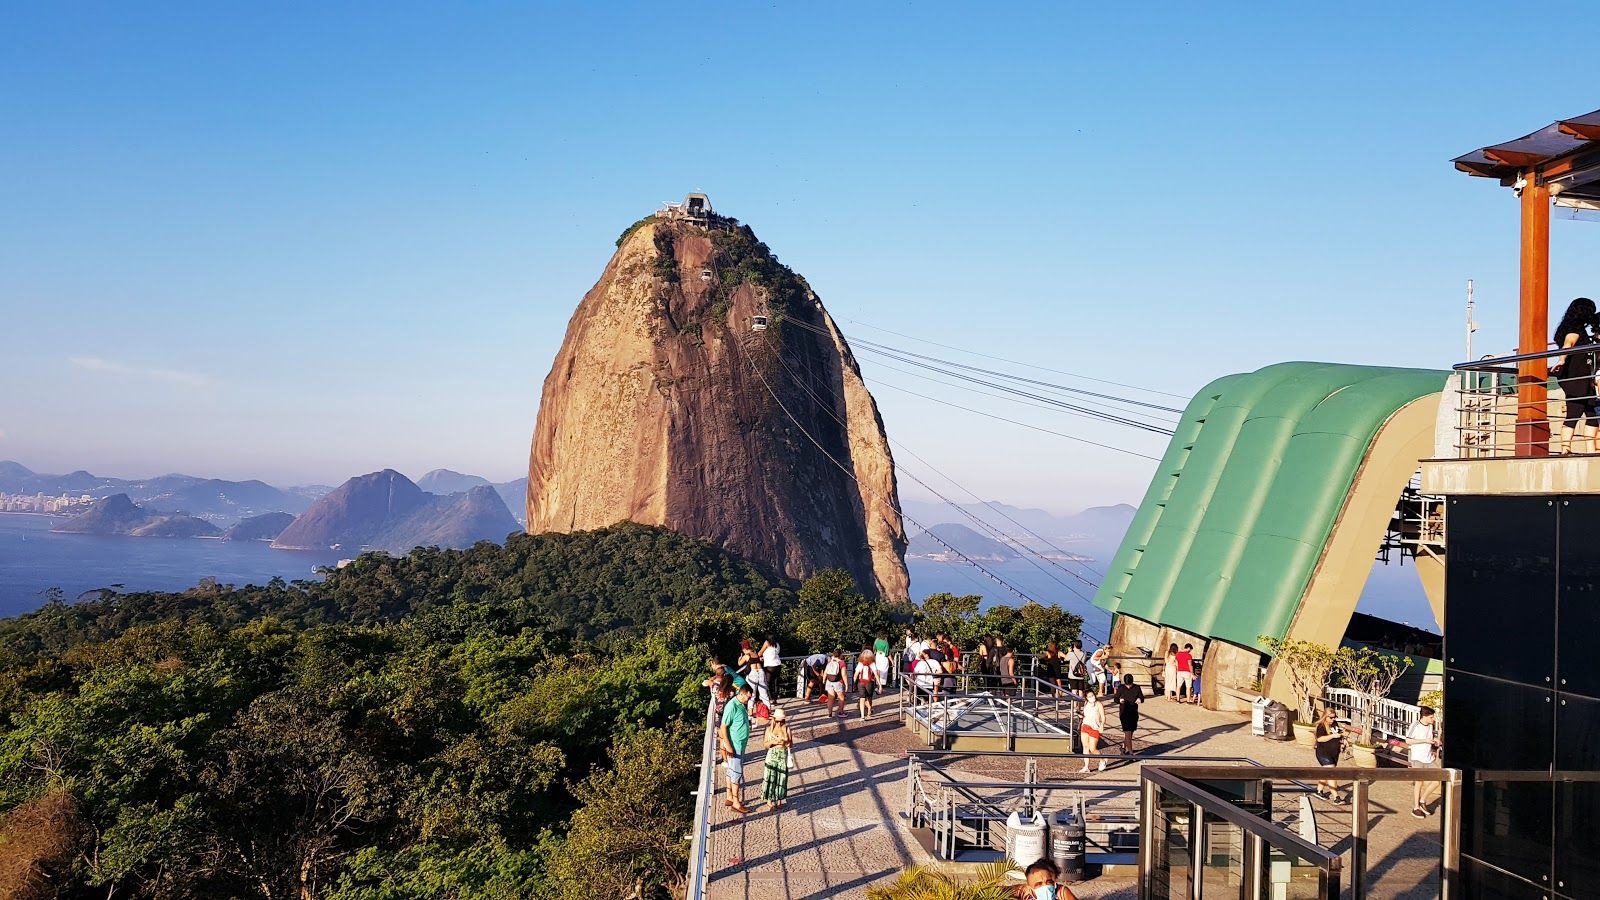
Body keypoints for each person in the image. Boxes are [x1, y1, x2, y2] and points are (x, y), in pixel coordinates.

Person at [1549, 297, 1599, 455]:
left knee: (1591, 413)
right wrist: (1561, 359)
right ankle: (1566, 449)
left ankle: (1589, 451)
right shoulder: (1575, 329)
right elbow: (1568, 343)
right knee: (1575, 411)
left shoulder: (1566, 327)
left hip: (1582, 377)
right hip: (1577, 377)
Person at [718, 683, 753, 814]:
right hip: (735, 745)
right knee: (737, 773)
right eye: (748, 697)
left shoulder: (741, 704)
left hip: (739, 744)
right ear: (742, 693)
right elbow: (723, 727)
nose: (749, 699)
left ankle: (729, 797)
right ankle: (736, 803)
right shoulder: (732, 706)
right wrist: (728, 746)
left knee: (731, 771)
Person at [1407, 706, 1441, 818]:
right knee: (1419, 782)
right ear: (1425, 716)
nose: (1433, 719)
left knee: (1437, 780)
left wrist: (1435, 740)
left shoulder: (1430, 726)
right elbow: (1408, 740)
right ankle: (1416, 807)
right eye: (1431, 717)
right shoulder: (1415, 725)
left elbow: (1429, 738)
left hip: (1428, 758)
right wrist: (1424, 741)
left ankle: (1422, 800)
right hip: (1417, 758)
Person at [762, 707, 793, 810]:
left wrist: (786, 742)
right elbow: (765, 745)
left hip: (782, 755)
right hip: (772, 755)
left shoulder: (787, 729)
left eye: (782, 721)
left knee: (782, 777)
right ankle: (769, 800)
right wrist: (773, 742)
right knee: (770, 777)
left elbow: (791, 744)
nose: (780, 723)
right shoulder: (769, 730)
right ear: (774, 720)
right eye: (778, 721)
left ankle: (779, 799)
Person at [1313, 707, 1346, 802]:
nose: (1333, 719)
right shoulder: (1321, 726)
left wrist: (1343, 740)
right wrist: (1332, 736)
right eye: (1331, 717)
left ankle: (1319, 790)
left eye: (1334, 717)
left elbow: (1339, 735)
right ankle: (1336, 797)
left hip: (1334, 753)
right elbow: (1319, 739)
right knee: (1331, 774)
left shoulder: (1335, 724)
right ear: (1325, 717)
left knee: (1326, 773)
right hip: (1323, 753)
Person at [1113, 673, 1143, 754]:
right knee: (1128, 732)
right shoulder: (1121, 688)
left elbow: (1142, 697)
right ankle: (1130, 753)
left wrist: (1140, 699)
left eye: (1130, 685)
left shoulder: (1137, 687)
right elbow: (1115, 698)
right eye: (1127, 685)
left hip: (1133, 712)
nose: (1129, 686)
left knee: (1130, 732)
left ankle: (1123, 747)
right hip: (1124, 712)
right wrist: (1119, 700)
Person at [1079, 690, 1106, 772]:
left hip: (1094, 728)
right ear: (1086, 698)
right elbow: (1084, 715)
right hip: (1085, 725)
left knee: (1093, 749)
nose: (1092, 697)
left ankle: (1102, 760)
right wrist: (1080, 715)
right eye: (1089, 696)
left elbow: (1103, 716)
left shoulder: (1098, 704)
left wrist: (1102, 725)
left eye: (1092, 695)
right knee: (1085, 747)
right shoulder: (1086, 703)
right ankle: (1086, 766)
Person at [823, 649, 848, 717]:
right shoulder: (842, 663)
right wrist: (846, 684)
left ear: (833, 654)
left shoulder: (830, 662)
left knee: (830, 698)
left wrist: (824, 680)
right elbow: (844, 674)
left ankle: (830, 713)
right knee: (841, 697)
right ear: (840, 654)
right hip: (838, 682)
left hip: (829, 681)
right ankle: (841, 712)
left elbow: (825, 672)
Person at [855, 649, 878, 718]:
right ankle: (869, 710)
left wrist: (853, 683)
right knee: (869, 698)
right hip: (869, 683)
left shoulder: (860, 663)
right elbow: (876, 674)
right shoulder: (872, 664)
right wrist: (880, 685)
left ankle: (862, 716)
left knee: (862, 698)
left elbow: (855, 675)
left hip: (861, 683)